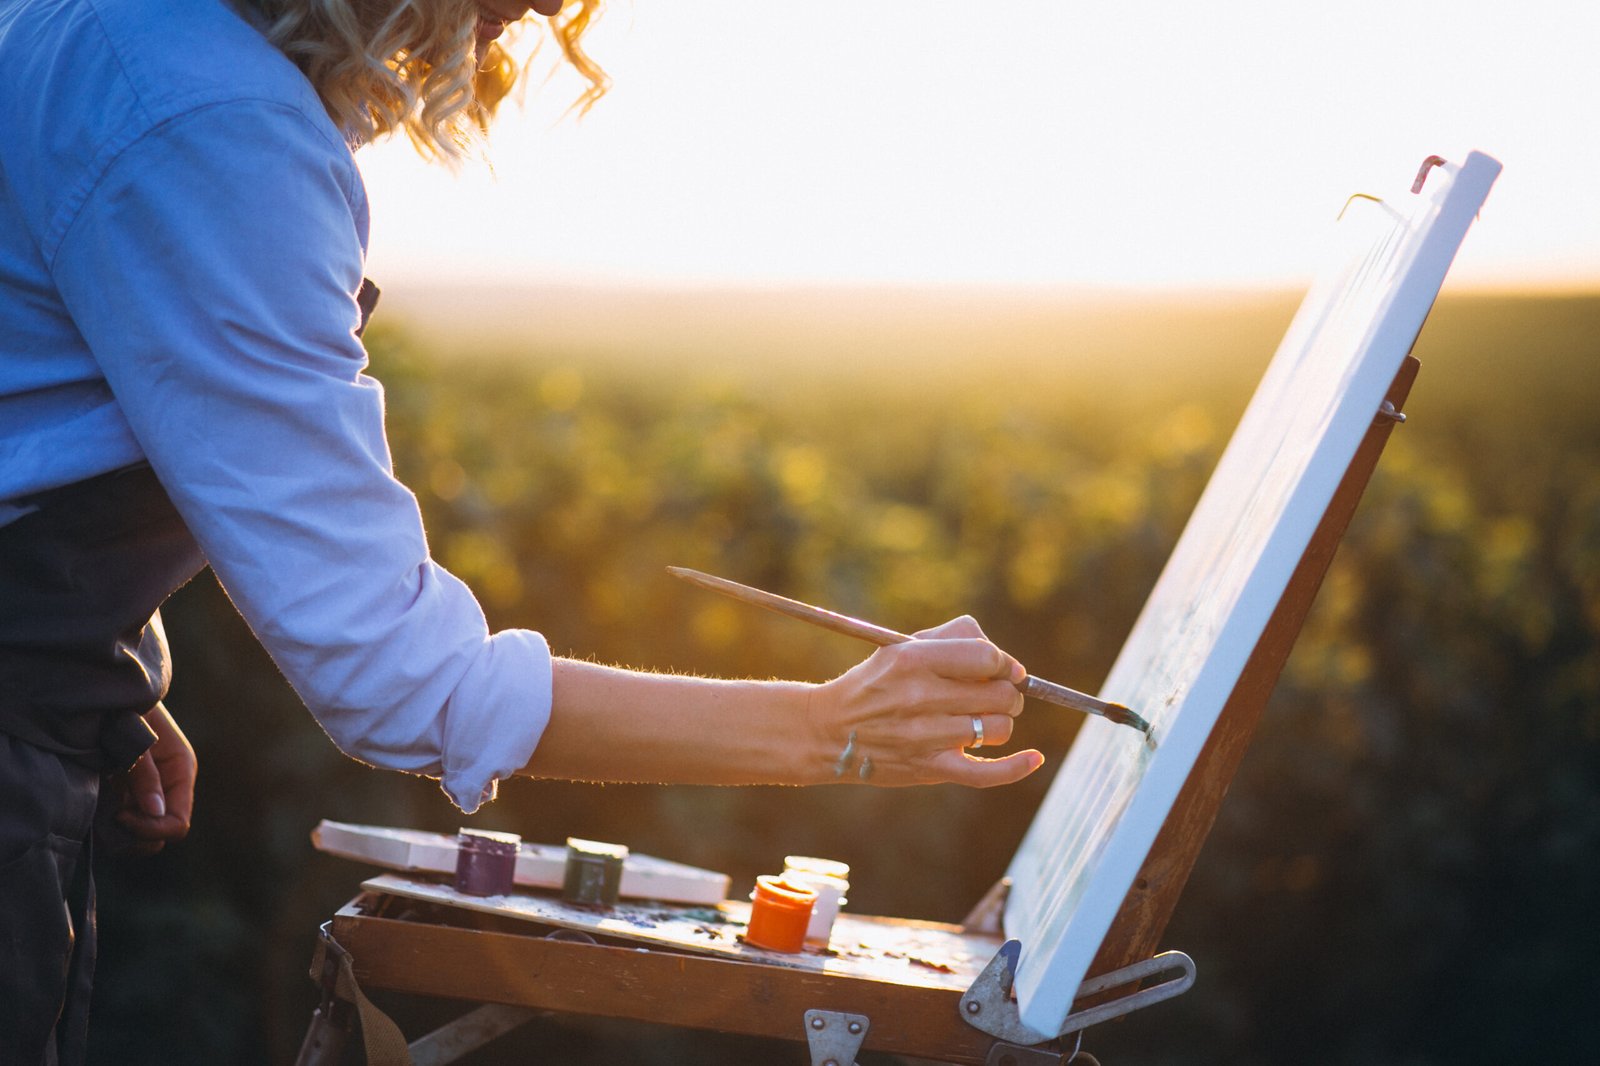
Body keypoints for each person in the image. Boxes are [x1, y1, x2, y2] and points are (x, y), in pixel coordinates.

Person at [0, 0, 1045, 1061]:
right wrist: (832, 725)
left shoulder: (89, 28)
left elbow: (34, 409)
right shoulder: (211, 125)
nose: (548, 9)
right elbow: (404, 681)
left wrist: (92, 664)